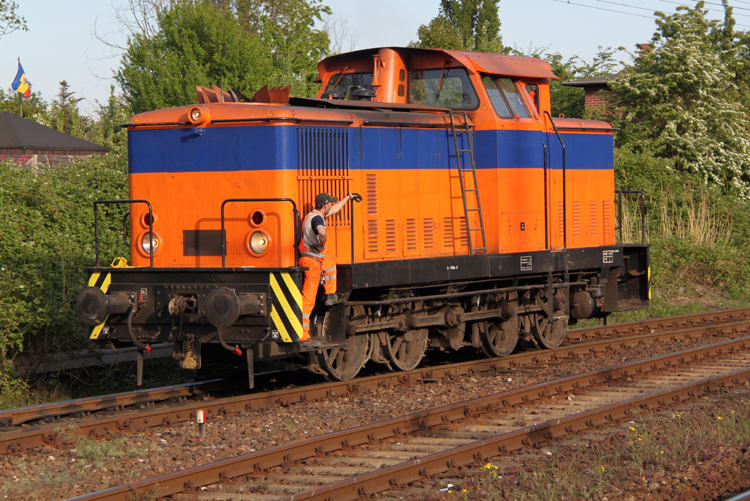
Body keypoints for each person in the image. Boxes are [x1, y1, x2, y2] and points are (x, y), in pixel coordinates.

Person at [298, 192, 361, 348]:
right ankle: (303, 336)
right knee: (308, 300)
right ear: (325, 205)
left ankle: (330, 295)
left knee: (331, 259)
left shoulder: (311, 215)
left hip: (314, 259)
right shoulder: (318, 220)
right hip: (311, 262)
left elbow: (335, 210)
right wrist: (322, 240)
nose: (333, 206)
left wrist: (349, 197)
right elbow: (321, 231)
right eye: (331, 204)